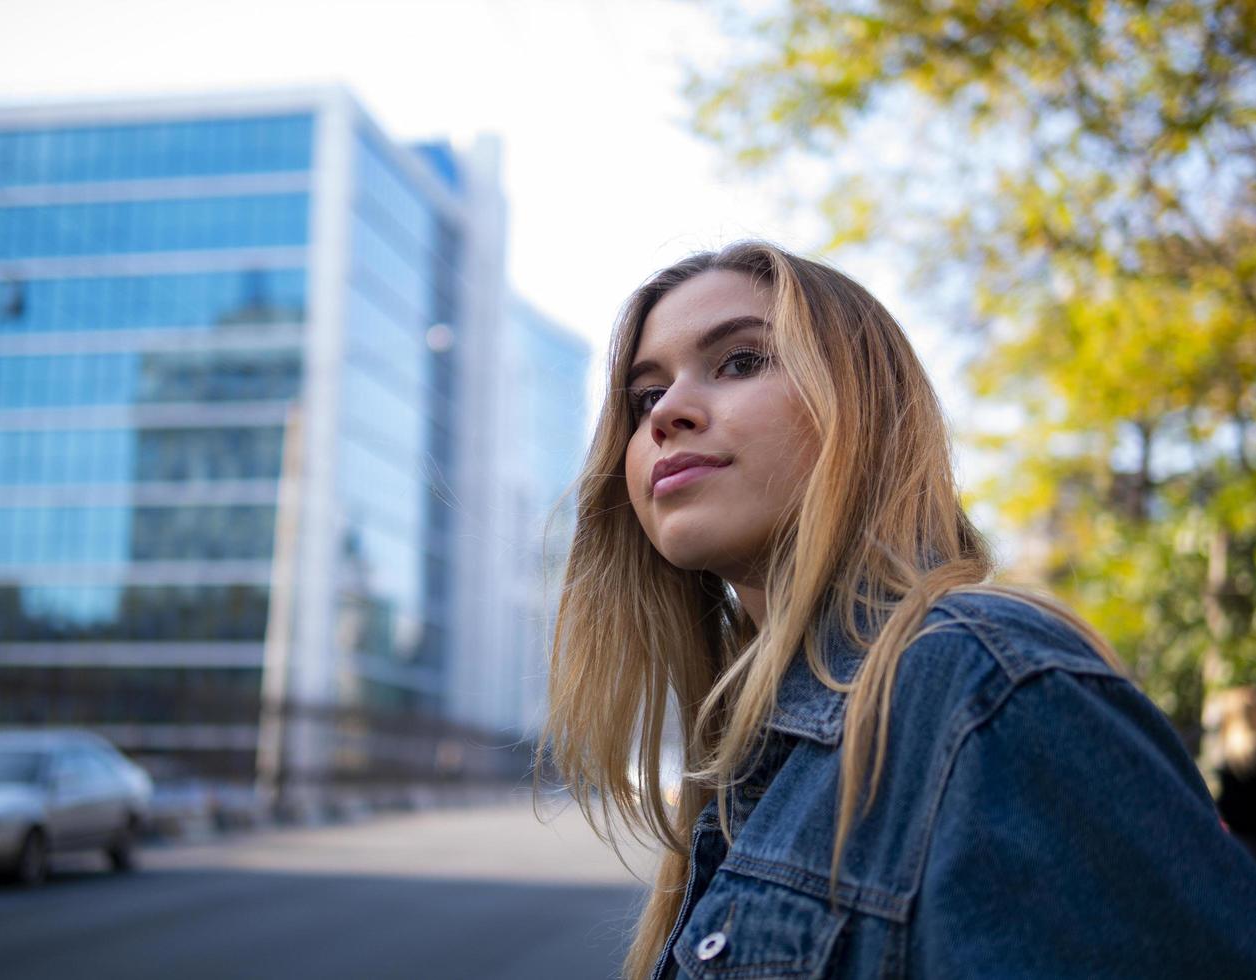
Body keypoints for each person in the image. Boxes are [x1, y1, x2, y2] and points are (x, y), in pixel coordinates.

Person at [537, 241, 1256, 979]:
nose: (668, 415)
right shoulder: (754, 754)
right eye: (644, 397)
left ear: (865, 408)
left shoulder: (983, 687)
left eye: (741, 361)